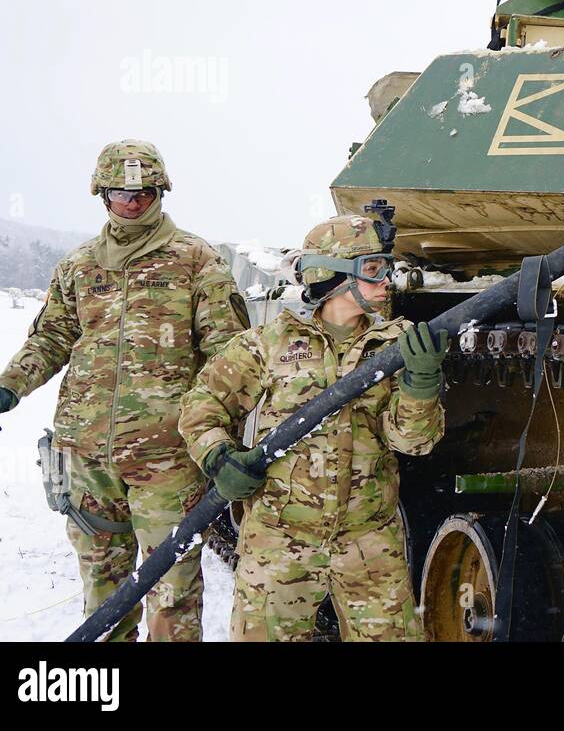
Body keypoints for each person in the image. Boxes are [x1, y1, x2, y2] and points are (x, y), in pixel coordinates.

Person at [0, 140, 249, 640]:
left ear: (160, 190)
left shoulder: (196, 260)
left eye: (144, 190)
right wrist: (9, 385)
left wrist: (215, 438)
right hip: (86, 457)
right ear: (101, 193)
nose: (133, 201)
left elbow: (228, 357)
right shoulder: (80, 265)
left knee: (173, 589)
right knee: (103, 586)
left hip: (167, 458)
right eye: (121, 191)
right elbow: (53, 335)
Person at [178, 213, 447, 641]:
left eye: (387, 268)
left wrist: (421, 384)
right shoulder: (270, 342)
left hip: (369, 539)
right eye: (373, 269)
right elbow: (203, 404)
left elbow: (413, 442)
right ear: (334, 275)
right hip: (277, 538)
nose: (387, 281)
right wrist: (218, 456)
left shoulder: (397, 345)